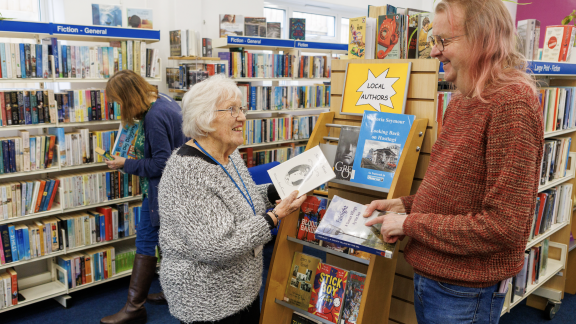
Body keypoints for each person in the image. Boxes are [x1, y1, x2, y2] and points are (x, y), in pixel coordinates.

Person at [363, 0, 543, 323]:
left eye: (443, 41)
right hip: (431, 280)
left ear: (482, 40)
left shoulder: (513, 105)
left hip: (464, 293)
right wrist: (404, 205)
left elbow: (503, 226)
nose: (434, 52)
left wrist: (409, 223)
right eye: (435, 40)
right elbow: (452, 193)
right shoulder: (461, 100)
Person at [157, 75, 307, 324]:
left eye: (242, 108)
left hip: (242, 291)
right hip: (209, 300)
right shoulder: (188, 173)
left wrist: (275, 192)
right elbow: (217, 246)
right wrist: (274, 217)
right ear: (204, 118)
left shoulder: (229, 155)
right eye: (232, 110)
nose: (242, 117)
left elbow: (241, 202)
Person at [100, 70, 186, 324]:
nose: (119, 107)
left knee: (146, 241)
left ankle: (134, 308)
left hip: (162, 190)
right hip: (175, 188)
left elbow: (161, 163)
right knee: (169, 242)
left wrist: (126, 163)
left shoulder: (154, 117)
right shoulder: (163, 100)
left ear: (128, 97)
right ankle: (176, 293)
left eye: (119, 101)